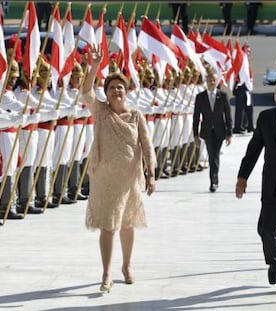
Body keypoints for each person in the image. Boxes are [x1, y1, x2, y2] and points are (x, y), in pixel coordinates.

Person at [82, 45, 156, 293]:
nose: (116, 91)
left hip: (130, 179)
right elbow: (85, 91)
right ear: (106, 93)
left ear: (126, 92)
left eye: (120, 88)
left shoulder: (135, 115)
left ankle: (126, 266)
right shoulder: (101, 112)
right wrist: (93, 66)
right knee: (108, 225)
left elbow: (147, 145)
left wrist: (151, 175)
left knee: (127, 223)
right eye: (112, 88)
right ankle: (106, 273)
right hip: (105, 179)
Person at [236, 74, 276, 297]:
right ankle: (274, 260)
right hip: (271, 184)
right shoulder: (265, 118)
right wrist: (242, 177)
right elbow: (254, 149)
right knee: (265, 228)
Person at [193, 68, 232, 192]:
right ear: (206, 81)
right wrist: (195, 135)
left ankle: (214, 179)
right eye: (209, 80)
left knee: (215, 155)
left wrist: (229, 133)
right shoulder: (200, 97)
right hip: (207, 131)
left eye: (214, 80)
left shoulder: (223, 95)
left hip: (220, 130)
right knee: (212, 154)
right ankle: (213, 181)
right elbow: (196, 116)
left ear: (217, 81)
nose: (211, 82)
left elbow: (228, 115)